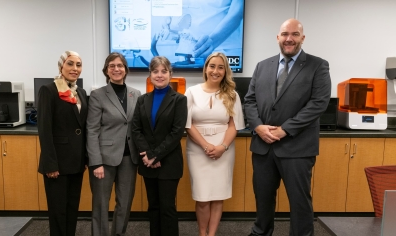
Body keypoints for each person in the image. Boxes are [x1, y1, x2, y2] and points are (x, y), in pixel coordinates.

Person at [244, 19, 331, 236]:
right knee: (263, 199)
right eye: (284, 34)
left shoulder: (318, 65)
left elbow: (318, 103)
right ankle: (261, 232)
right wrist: (258, 127)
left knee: (299, 201)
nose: (289, 39)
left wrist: (285, 129)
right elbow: (250, 101)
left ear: (302, 37)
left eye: (294, 34)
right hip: (263, 147)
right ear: (278, 37)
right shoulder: (262, 66)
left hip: (297, 148)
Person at [184, 52, 245, 236]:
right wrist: (205, 146)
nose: (215, 71)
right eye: (212, 66)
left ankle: (212, 234)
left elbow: (234, 126)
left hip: (224, 150)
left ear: (225, 71)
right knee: (202, 197)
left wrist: (222, 147)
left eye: (220, 67)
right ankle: (202, 234)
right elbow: (188, 124)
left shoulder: (232, 94)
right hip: (197, 149)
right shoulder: (191, 92)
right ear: (205, 68)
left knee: (218, 196)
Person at [131, 56, 187, 236]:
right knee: (153, 207)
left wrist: (155, 155)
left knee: (167, 208)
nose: (159, 75)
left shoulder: (179, 100)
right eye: (155, 71)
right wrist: (148, 155)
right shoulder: (142, 100)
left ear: (170, 74)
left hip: (169, 163)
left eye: (164, 71)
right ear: (150, 75)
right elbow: (136, 129)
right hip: (148, 162)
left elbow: (176, 132)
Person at [86, 53, 141, 236]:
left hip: (129, 158)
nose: (116, 69)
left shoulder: (136, 94)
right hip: (104, 159)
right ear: (106, 70)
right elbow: (92, 130)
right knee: (101, 204)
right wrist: (95, 162)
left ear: (125, 69)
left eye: (120, 65)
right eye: (112, 66)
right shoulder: (98, 95)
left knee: (124, 203)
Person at [37, 50, 88, 236]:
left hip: (76, 162)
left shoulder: (81, 92)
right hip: (57, 163)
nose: (75, 68)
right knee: (58, 212)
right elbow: (44, 129)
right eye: (70, 63)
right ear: (61, 66)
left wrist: (85, 158)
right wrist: (50, 164)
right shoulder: (48, 90)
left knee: (72, 209)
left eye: (79, 64)